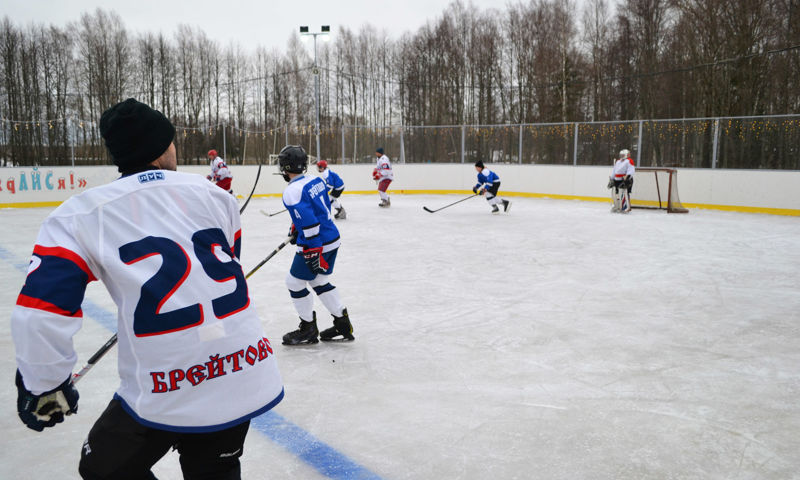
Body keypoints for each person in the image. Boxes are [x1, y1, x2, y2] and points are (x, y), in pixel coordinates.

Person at [10, 98, 283, 480]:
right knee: (215, 470)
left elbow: (42, 313)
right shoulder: (217, 197)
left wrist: (43, 385)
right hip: (244, 367)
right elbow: (226, 263)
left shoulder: (78, 215)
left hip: (165, 383)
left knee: (103, 467)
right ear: (163, 147)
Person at [278, 145, 355, 345]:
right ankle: (342, 323)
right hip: (332, 237)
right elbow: (317, 208)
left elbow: (310, 222)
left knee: (294, 282)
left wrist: (313, 249)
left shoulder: (291, 191)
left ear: (284, 167)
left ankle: (308, 329)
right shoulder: (316, 179)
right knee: (319, 281)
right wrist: (296, 226)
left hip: (317, 242)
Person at [609, 148, 635, 213]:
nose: (621, 156)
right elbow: (614, 171)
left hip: (625, 179)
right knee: (615, 194)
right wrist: (612, 179)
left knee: (624, 193)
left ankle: (625, 207)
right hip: (616, 180)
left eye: (623, 155)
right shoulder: (618, 161)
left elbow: (631, 170)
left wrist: (628, 177)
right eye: (621, 155)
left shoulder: (629, 161)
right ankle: (616, 206)